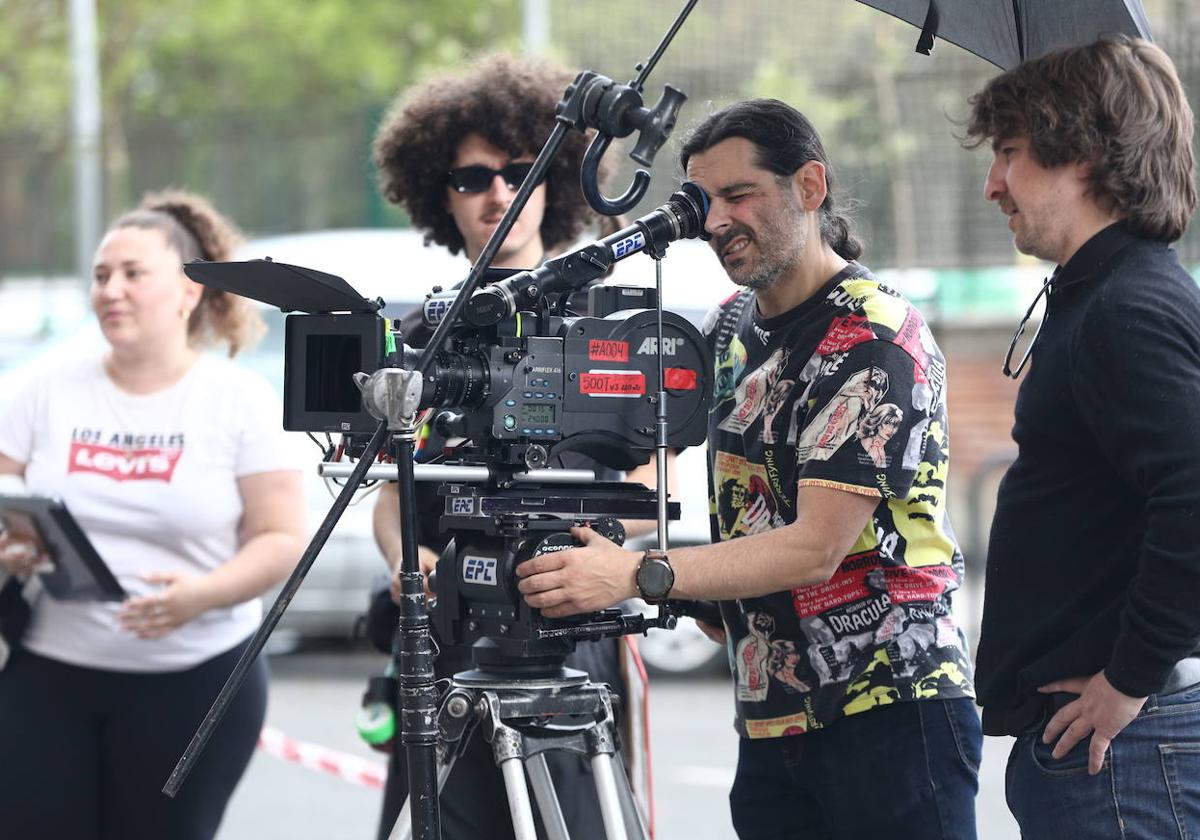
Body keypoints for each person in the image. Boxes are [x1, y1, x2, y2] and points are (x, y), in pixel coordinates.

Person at [516, 98, 981, 839]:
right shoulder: (731, 329)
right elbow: (671, 476)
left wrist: (640, 575)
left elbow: (814, 546)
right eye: (703, 202)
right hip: (772, 720)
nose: (715, 220)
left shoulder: (874, 336)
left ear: (810, 187)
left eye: (739, 195)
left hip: (892, 709)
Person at [369, 53, 669, 840]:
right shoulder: (422, 335)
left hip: (571, 623)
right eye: (471, 179)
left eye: (515, 171)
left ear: (552, 183)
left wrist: (590, 553)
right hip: (448, 638)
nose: (497, 193)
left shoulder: (606, 320)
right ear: (441, 197)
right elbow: (393, 499)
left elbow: (666, 465)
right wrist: (415, 568)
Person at [0, 190, 306, 839]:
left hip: (196, 680)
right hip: (52, 676)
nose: (111, 290)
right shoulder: (42, 389)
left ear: (189, 293)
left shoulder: (238, 400)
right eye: (102, 275)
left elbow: (281, 537)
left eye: (133, 274)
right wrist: (11, 547)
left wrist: (204, 594)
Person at [963, 36, 1200, 839]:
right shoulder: (1104, 292)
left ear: (1085, 154)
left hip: (1123, 750)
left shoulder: (1126, 307)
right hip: (1112, 749)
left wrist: (1127, 682)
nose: (993, 184)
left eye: (1010, 152)